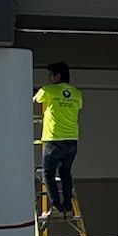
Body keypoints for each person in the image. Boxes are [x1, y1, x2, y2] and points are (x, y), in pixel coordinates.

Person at [34, 61, 84, 215]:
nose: (49, 78)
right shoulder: (77, 93)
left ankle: (56, 206)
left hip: (54, 139)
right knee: (65, 172)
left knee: (48, 173)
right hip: (71, 140)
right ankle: (67, 206)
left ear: (58, 76)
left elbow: (36, 99)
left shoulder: (48, 90)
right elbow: (79, 106)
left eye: (51, 75)